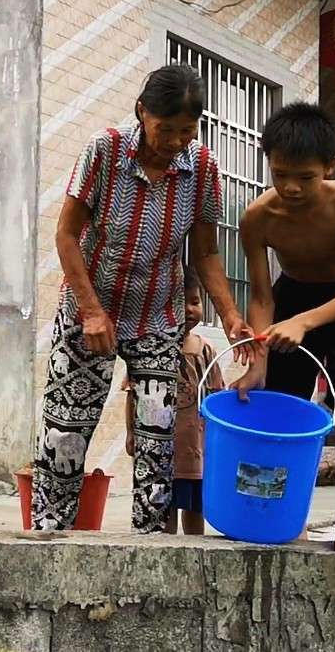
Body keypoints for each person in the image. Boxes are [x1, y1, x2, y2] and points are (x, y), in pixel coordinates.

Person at [32, 63, 248, 534]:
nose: (173, 141)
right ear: (141, 113)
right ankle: (48, 537)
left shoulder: (203, 167)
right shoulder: (105, 151)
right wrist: (91, 311)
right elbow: (67, 235)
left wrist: (231, 313)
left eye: (185, 131)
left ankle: (149, 546)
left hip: (158, 316)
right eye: (164, 129)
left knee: (157, 438)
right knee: (65, 431)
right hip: (89, 310)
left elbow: (206, 250)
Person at [233, 102, 335, 553]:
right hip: (291, 296)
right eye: (280, 174)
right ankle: (282, 513)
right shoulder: (257, 218)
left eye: (305, 177)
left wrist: (303, 322)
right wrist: (257, 357)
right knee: (278, 399)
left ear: (330, 167)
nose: (291, 187)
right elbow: (262, 297)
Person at [124, 275, 223, 534]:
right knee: (164, 506)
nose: (190, 309)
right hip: (161, 450)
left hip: (196, 451)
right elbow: (133, 394)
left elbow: (216, 398)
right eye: (182, 302)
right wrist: (131, 433)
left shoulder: (206, 350)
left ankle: (194, 554)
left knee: (194, 507)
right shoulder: (151, 349)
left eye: (195, 302)